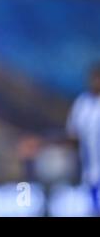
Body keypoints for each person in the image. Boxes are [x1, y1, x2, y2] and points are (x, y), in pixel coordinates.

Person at [66, 62, 100, 215]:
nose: (96, 82)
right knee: (92, 209)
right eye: (94, 78)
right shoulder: (82, 103)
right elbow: (73, 134)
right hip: (88, 170)